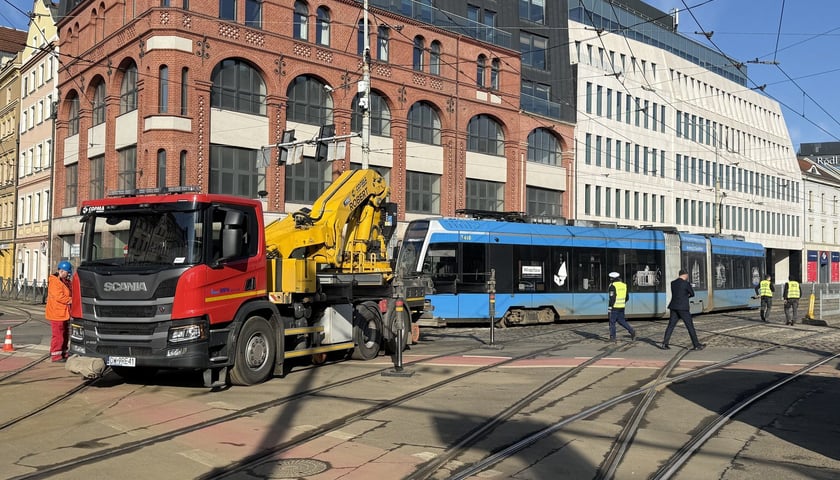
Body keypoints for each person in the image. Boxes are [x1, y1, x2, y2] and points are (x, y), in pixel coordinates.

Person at [661, 269, 704, 351]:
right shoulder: (686, 284)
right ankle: (696, 345)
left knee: (671, 325)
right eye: (687, 275)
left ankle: (664, 344)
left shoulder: (673, 283)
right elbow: (692, 293)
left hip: (673, 306)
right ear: (685, 275)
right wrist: (686, 296)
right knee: (690, 326)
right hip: (683, 308)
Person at [46, 260, 73, 363]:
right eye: (67, 273)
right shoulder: (55, 281)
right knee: (58, 335)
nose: (68, 275)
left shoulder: (65, 281)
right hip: (56, 313)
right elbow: (59, 296)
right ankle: (56, 355)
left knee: (65, 334)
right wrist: (71, 300)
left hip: (64, 313)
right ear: (62, 271)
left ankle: (63, 352)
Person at [607, 272, 635, 342]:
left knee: (612, 322)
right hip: (622, 307)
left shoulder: (612, 286)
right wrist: (622, 303)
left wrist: (610, 307)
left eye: (610, 278)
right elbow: (627, 297)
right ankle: (631, 330)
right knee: (621, 321)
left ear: (612, 278)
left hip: (614, 307)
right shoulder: (624, 285)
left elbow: (612, 298)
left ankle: (613, 337)